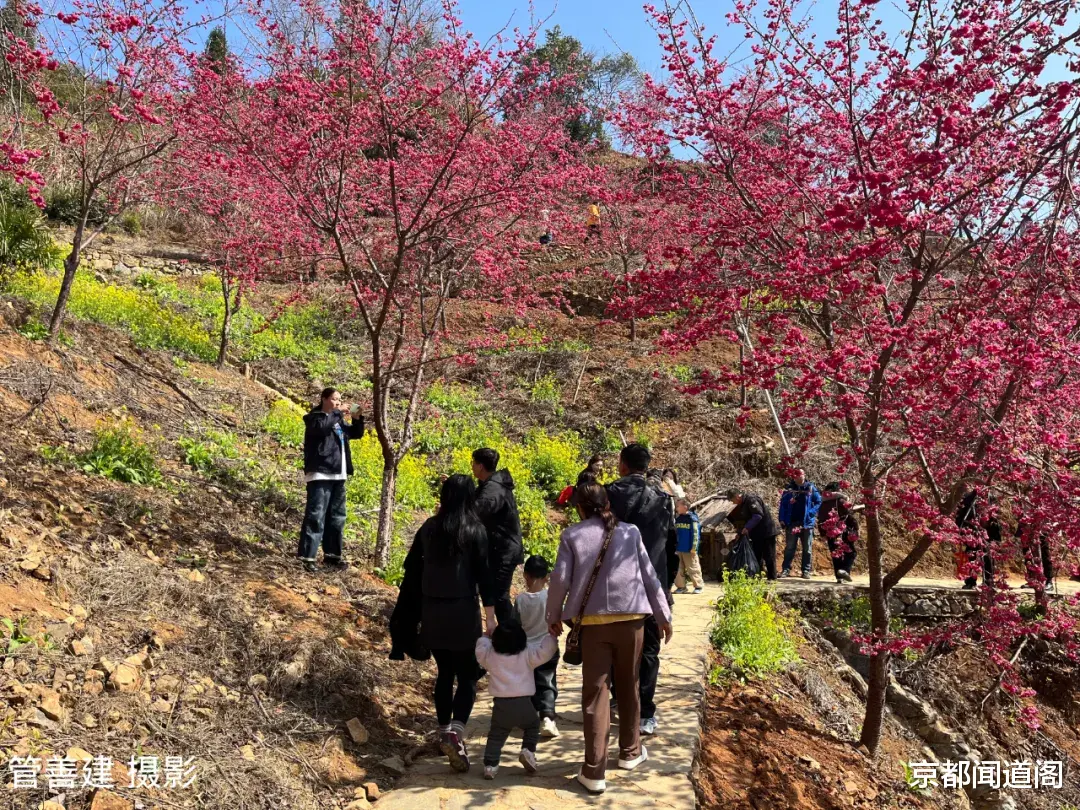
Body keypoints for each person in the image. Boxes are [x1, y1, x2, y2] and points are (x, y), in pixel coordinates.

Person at [546, 482, 673, 795]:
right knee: (629, 684)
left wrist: (553, 616)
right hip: (632, 621)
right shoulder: (630, 532)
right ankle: (630, 752)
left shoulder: (572, 535)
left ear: (580, 508)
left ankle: (594, 770)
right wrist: (663, 615)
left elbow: (560, 579)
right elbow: (649, 575)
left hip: (593, 624)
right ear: (607, 504)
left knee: (595, 694)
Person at [401, 474, 496, 773]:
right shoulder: (475, 530)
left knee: (444, 673)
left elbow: (410, 567)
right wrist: (491, 618)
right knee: (467, 676)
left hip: (432, 611)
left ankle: (444, 731)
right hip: (463, 611)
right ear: (469, 498)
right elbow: (485, 577)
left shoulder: (429, 527)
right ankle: (455, 732)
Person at [606, 443, 674, 737]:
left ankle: (617, 697)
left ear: (622, 464)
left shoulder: (608, 494)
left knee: (613, 644)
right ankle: (645, 712)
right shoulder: (663, 499)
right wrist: (665, 588)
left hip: (614, 583)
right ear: (646, 467)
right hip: (651, 583)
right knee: (648, 649)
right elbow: (670, 546)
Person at [475, 619, 558, 779]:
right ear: (523, 638)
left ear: (495, 640)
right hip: (525, 703)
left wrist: (485, 637)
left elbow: (480, 650)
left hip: (501, 705)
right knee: (533, 726)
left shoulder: (490, 655)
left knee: (496, 735)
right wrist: (552, 637)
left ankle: (490, 766)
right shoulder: (528, 653)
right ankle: (528, 750)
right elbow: (545, 651)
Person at [298, 387, 365, 572]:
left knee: (337, 516)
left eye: (340, 399)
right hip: (321, 473)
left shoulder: (337, 420)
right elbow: (321, 429)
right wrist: (338, 412)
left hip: (338, 474)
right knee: (316, 515)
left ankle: (333, 556)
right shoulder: (314, 418)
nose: (338, 402)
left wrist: (357, 419)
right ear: (324, 399)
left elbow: (356, 434)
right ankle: (307, 557)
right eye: (335, 399)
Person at [472, 448, 523, 624]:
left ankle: (512, 635)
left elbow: (475, 513)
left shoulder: (493, 489)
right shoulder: (490, 485)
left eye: (473, 463)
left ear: (480, 466)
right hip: (498, 548)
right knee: (494, 594)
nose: (472, 466)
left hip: (504, 550)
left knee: (500, 597)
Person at [516, 555, 560, 738]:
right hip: (547, 646)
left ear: (525, 575)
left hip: (526, 649)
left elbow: (516, 626)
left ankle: (531, 717)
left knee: (529, 682)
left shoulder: (520, 599)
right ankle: (547, 717)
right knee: (547, 682)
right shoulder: (550, 597)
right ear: (547, 577)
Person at [725, 489, 779, 580]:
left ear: (737, 496)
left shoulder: (751, 500)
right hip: (756, 534)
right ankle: (757, 577)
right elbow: (746, 519)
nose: (733, 503)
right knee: (756, 555)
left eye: (732, 500)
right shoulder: (742, 504)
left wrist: (747, 528)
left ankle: (772, 578)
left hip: (767, 532)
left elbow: (758, 516)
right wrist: (740, 532)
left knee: (769, 556)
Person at [778, 469, 822, 579]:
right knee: (790, 547)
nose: (798, 476)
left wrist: (811, 513)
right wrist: (782, 518)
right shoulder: (789, 489)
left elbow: (819, 501)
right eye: (795, 474)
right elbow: (783, 504)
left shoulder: (810, 488)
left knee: (807, 548)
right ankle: (785, 569)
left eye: (800, 474)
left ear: (804, 475)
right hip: (792, 522)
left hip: (807, 523)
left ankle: (806, 571)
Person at [956, 488, 999, 590]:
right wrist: (961, 530)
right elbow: (961, 514)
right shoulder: (968, 497)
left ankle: (989, 582)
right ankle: (970, 582)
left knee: (988, 557)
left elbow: (996, 516)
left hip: (988, 533)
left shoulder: (992, 497)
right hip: (971, 532)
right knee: (971, 557)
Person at [818, 483, 858, 583]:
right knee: (851, 552)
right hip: (842, 530)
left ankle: (839, 577)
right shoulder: (840, 501)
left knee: (835, 554)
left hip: (829, 532)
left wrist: (823, 533)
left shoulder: (822, 504)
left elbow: (821, 520)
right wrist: (856, 527)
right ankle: (844, 571)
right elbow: (848, 515)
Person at [660, 470, 685, 592]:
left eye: (670, 476)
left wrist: (670, 483)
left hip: (673, 524)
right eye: (665, 476)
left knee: (675, 556)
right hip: (661, 525)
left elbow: (681, 497)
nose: (667, 478)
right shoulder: (659, 487)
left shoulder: (677, 487)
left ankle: (679, 584)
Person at [673, 499, 704, 594]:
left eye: (678, 506)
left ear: (685, 507)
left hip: (689, 549)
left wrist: (694, 548)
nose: (676, 508)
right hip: (679, 548)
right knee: (678, 568)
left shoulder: (692, 519)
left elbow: (696, 534)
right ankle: (681, 587)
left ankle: (698, 586)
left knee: (693, 567)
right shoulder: (678, 519)